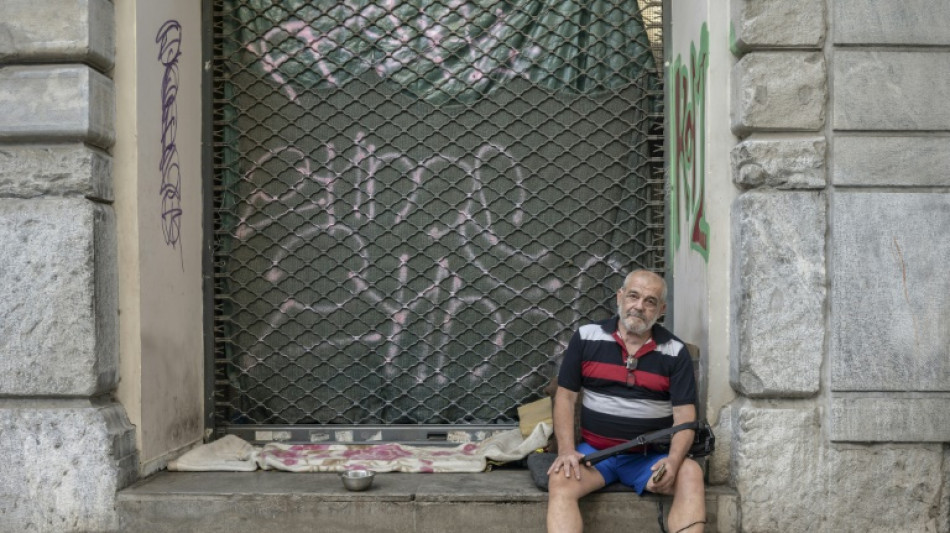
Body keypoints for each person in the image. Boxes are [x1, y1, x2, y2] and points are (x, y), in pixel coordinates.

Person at [546, 269, 706, 533]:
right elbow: (565, 396)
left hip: (649, 459)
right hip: (597, 455)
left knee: (691, 473)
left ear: (661, 309)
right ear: (620, 297)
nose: (639, 306)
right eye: (633, 296)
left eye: (650, 301)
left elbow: (685, 417)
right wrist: (565, 450)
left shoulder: (675, 352)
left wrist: (674, 461)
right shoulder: (587, 337)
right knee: (560, 479)